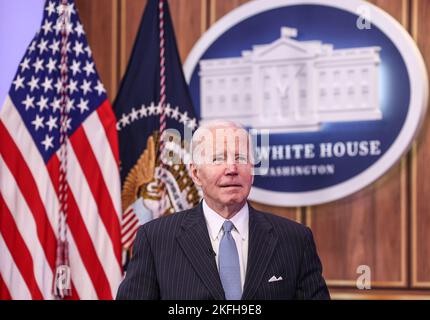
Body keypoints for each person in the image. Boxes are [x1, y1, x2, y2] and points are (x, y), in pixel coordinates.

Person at [116, 120, 330, 300]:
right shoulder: (156, 239)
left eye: (240, 158)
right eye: (218, 159)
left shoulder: (295, 240)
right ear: (195, 173)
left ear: (252, 170)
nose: (232, 169)